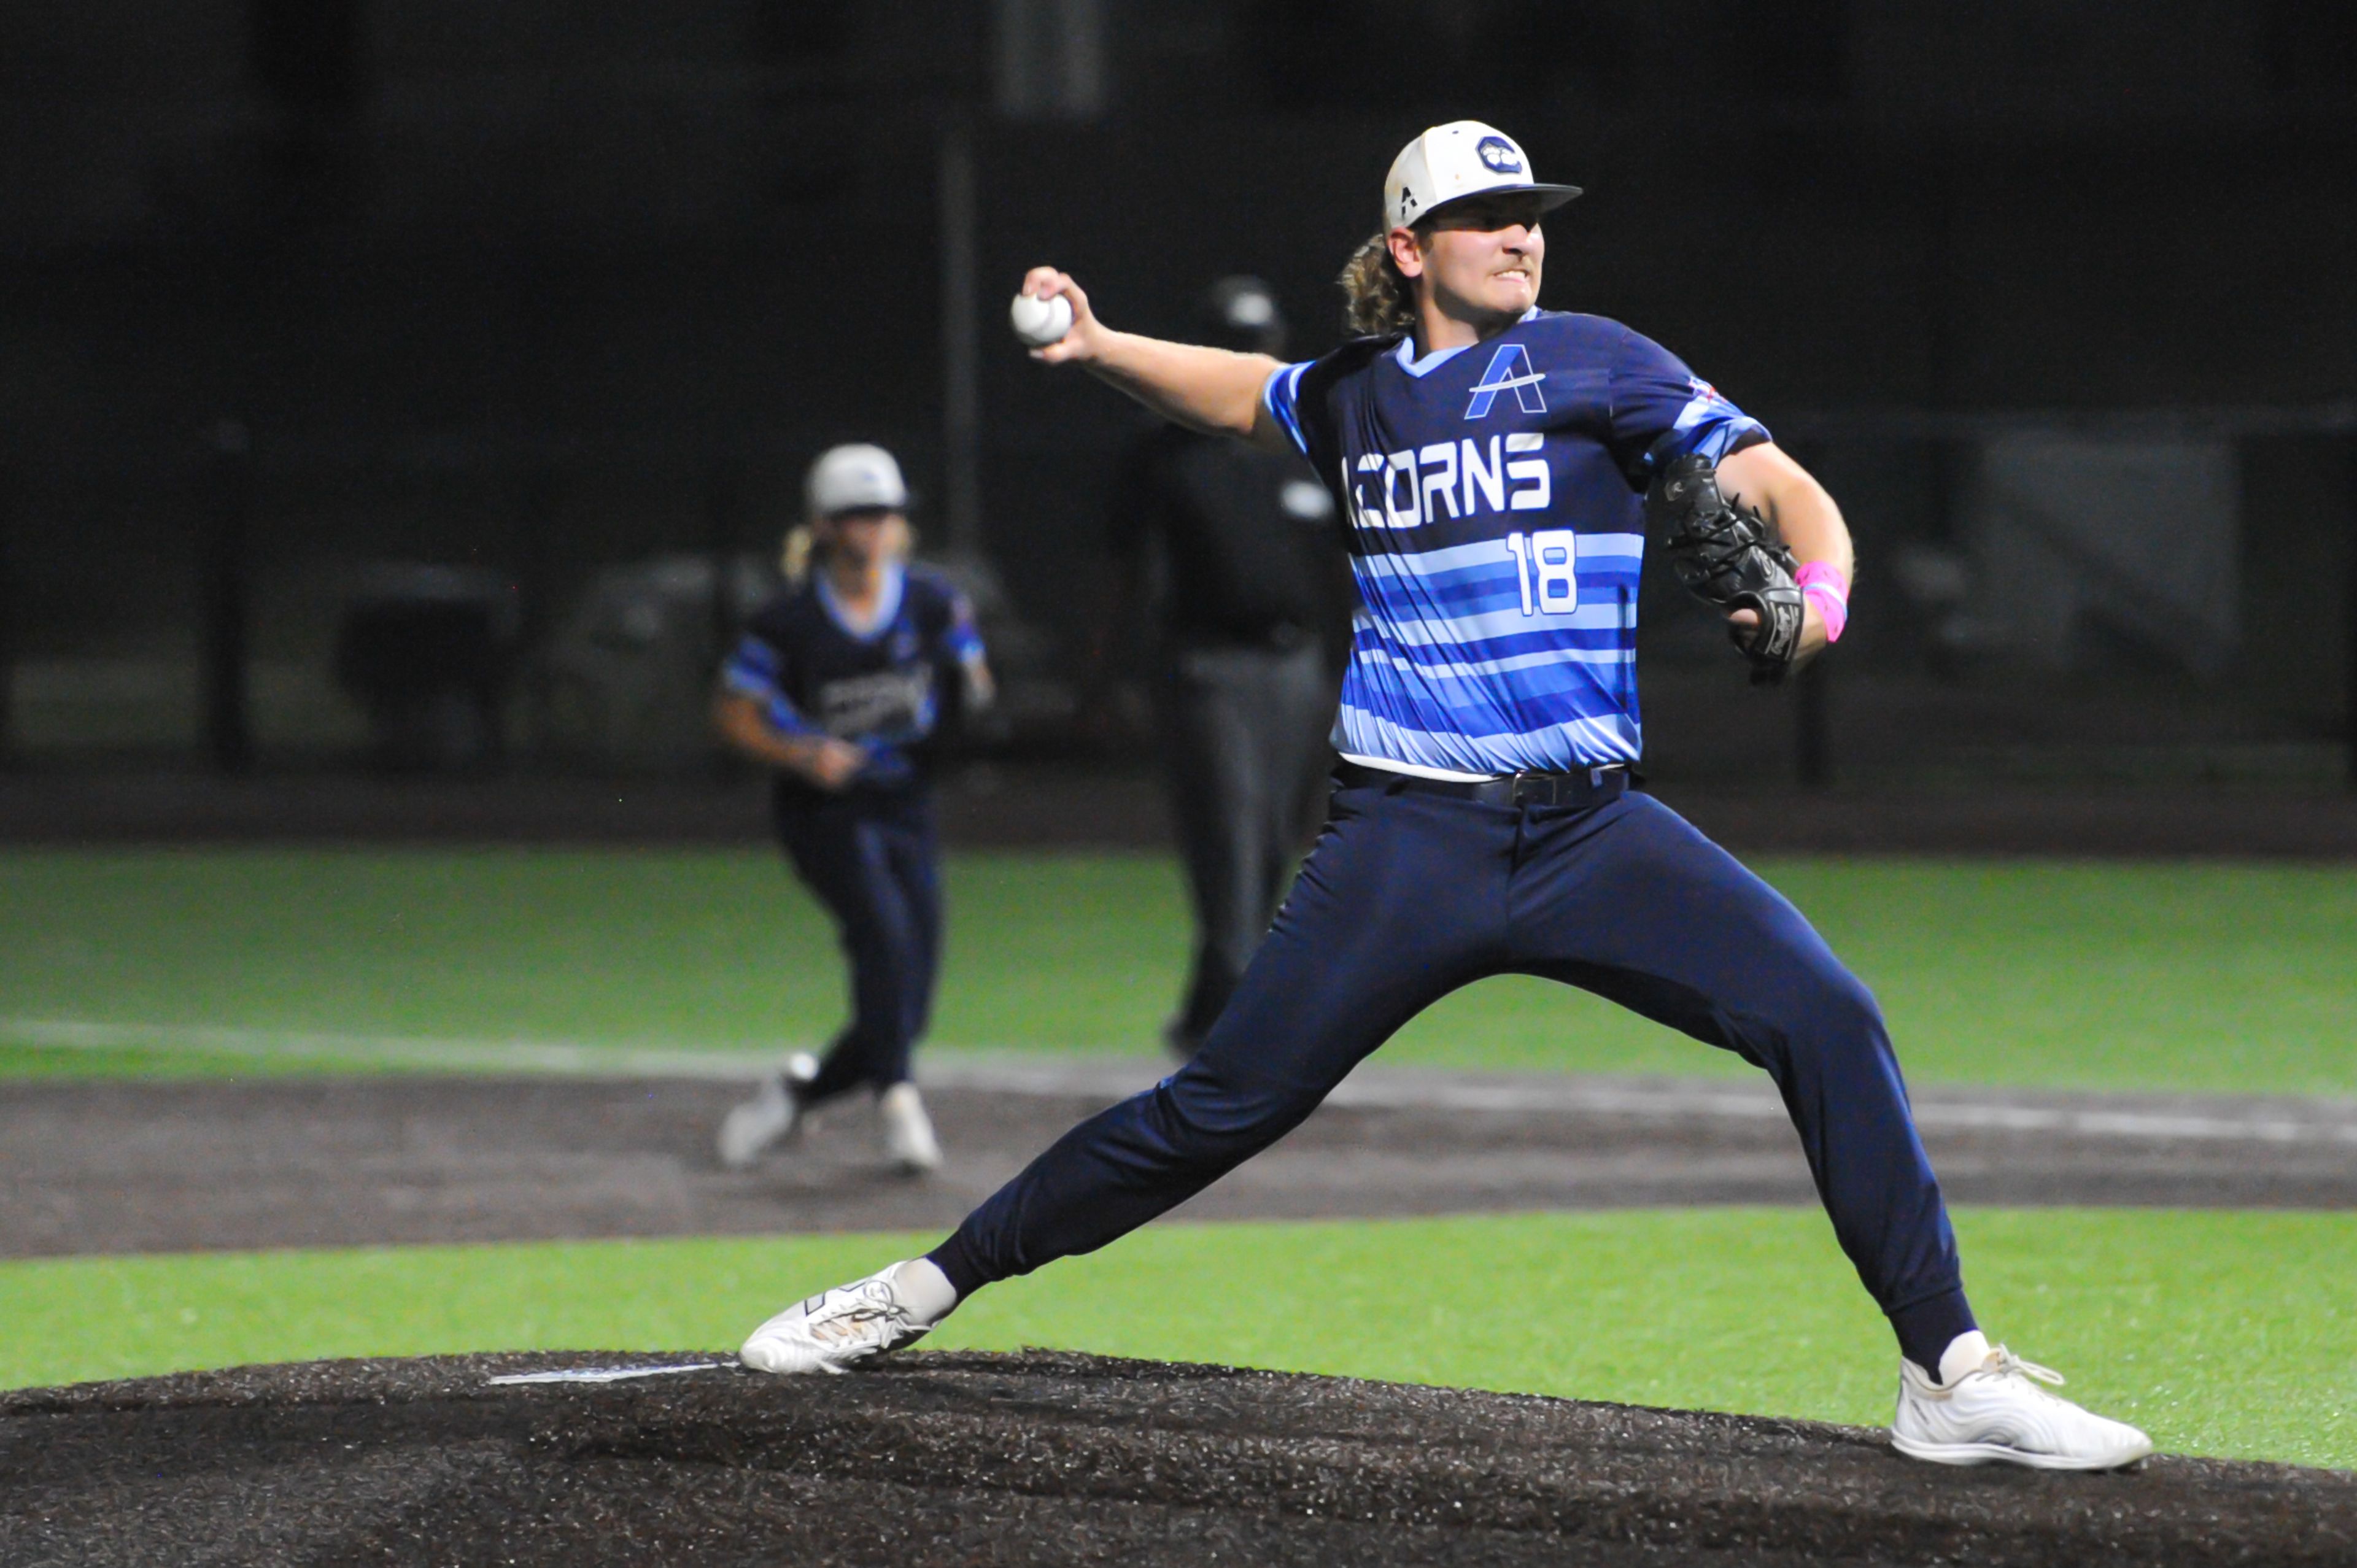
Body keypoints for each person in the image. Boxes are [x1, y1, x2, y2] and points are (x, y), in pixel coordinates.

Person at [732, 124, 2152, 1470]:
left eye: (1529, 217)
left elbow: (1782, 486)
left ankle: (1947, 1376)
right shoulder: (1353, 396)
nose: (1518, 238)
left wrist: (1817, 609)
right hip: (1407, 839)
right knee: (1211, 1111)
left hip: (1592, 831)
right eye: (1485, 217)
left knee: (1826, 1014)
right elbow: (1234, 389)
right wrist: (1098, 346)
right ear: (1407, 245)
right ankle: (923, 1283)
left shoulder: (1598, 364)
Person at [713, 443, 993, 1176]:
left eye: (885, 513)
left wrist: (969, 702)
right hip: (824, 813)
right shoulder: (790, 621)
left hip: (906, 804)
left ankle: (799, 1093)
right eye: (857, 515)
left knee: (910, 999)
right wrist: (803, 754)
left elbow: (972, 677)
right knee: (885, 941)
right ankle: (898, 1098)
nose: (874, 528)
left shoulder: (933, 601)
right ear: (826, 525)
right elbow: (735, 713)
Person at [1094, 276, 1348, 1059]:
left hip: (1299, 666)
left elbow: (1344, 569)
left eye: (1258, 340)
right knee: (1231, 843)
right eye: (1232, 341)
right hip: (1207, 668)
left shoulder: (1306, 442)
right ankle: (1248, 1038)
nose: (1249, 355)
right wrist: (1109, 675)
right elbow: (1118, 568)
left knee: (1274, 843)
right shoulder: (1163, 452)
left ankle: (1204, 1016)